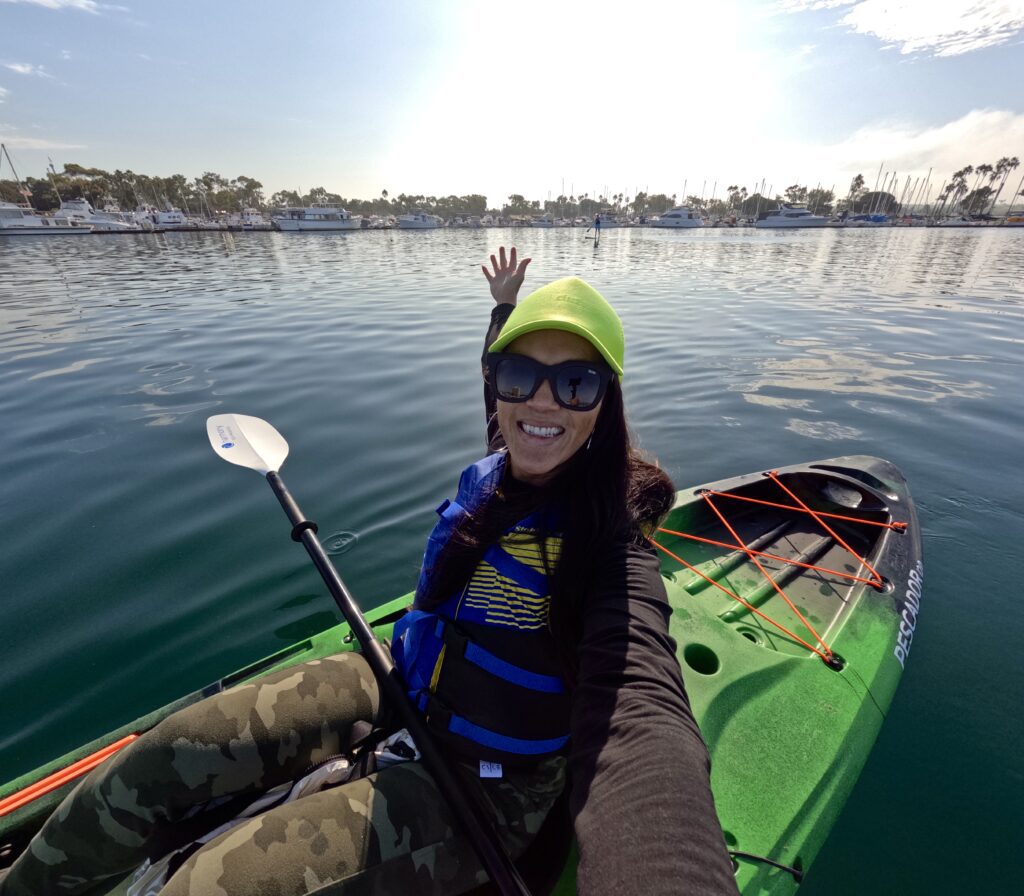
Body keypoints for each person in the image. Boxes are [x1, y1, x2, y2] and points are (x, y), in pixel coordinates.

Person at [0, 248, 737, 896]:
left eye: (575, 385)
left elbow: (644, 720)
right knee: (164, 757)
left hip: (488, 790)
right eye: (519, 376)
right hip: (399, 682)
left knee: (213, 885)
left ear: (605, 404)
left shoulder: (612, 550)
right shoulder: (511, 445)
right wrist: (504, 310)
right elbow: (514, 397)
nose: (540, 403)